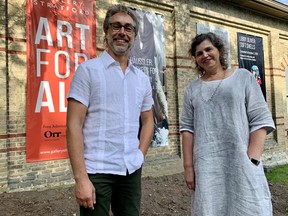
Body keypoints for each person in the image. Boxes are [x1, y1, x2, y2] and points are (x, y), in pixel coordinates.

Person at [66, 4, 154, 216]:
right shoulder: (88, 71)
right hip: (97, 171)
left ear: (134, 35)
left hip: (130, 170)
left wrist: (140, 155)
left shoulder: (142, 79)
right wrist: (81, 179)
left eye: (128, 28)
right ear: (106, 32)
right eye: (116, 26)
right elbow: (73, 125)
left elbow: (149, 121)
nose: (122, 32)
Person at [180, 32, 275, 215]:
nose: (205, 55)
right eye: (199, 53)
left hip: (241, 162)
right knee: (211, 208)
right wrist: (188, 167)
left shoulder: (242, 77)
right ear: (195, 59)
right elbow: (187, 129)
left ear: (219, 50)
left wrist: (252, 159)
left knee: (247, 208)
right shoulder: (192, 89)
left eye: (209, 49)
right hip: (207, 167)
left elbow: (260, 119)